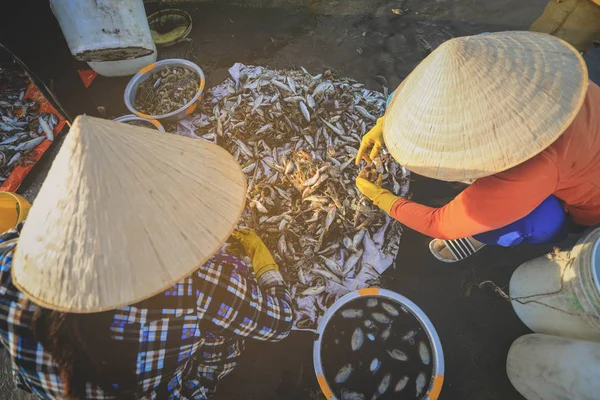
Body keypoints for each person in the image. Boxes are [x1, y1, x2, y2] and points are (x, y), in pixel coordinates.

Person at [0, 116, 293, 399]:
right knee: (225, 331)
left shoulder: (7, 265)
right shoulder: (204, 288)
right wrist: (266, 265)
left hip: (56, 391)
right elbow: (279, 322)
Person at [355, 31, 600, 263]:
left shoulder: (534, 165)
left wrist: (382, 198)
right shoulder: (507, 54)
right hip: (573, 152)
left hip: (584, 205)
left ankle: (487, 230)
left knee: (539, 220)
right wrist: (384, 123)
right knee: (394, 100)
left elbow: (438, 224)